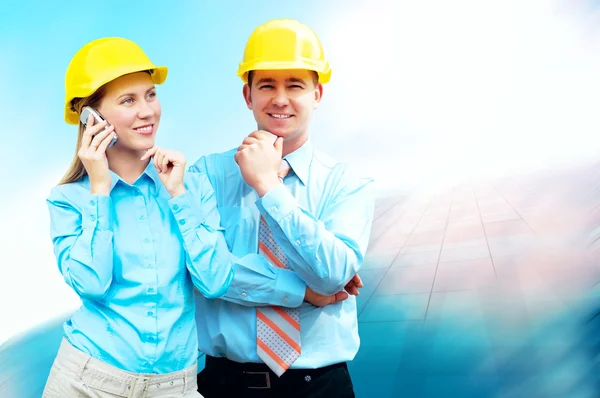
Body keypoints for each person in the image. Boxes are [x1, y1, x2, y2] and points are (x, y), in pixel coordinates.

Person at [43, 37, 349, 398]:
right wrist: (98, 189)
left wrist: (178, 196)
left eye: (150, 95)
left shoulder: (190, 184)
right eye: (128, 101)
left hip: (175, 387)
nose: (147, 111)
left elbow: (216, 277)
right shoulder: (68, 199)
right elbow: (91, 283)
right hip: (86, 381)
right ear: (89, 116)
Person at [192, 19, 374, 397]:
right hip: (225, 384)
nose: (280, 98)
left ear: (317, 93)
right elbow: (204, 272)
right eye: (266, 86)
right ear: (247, 95)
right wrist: (301, 290)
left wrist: (268, 186)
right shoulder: (206, 175)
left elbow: (333, 274)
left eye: (295, 85)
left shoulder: (346, 183)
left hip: (320, 387)